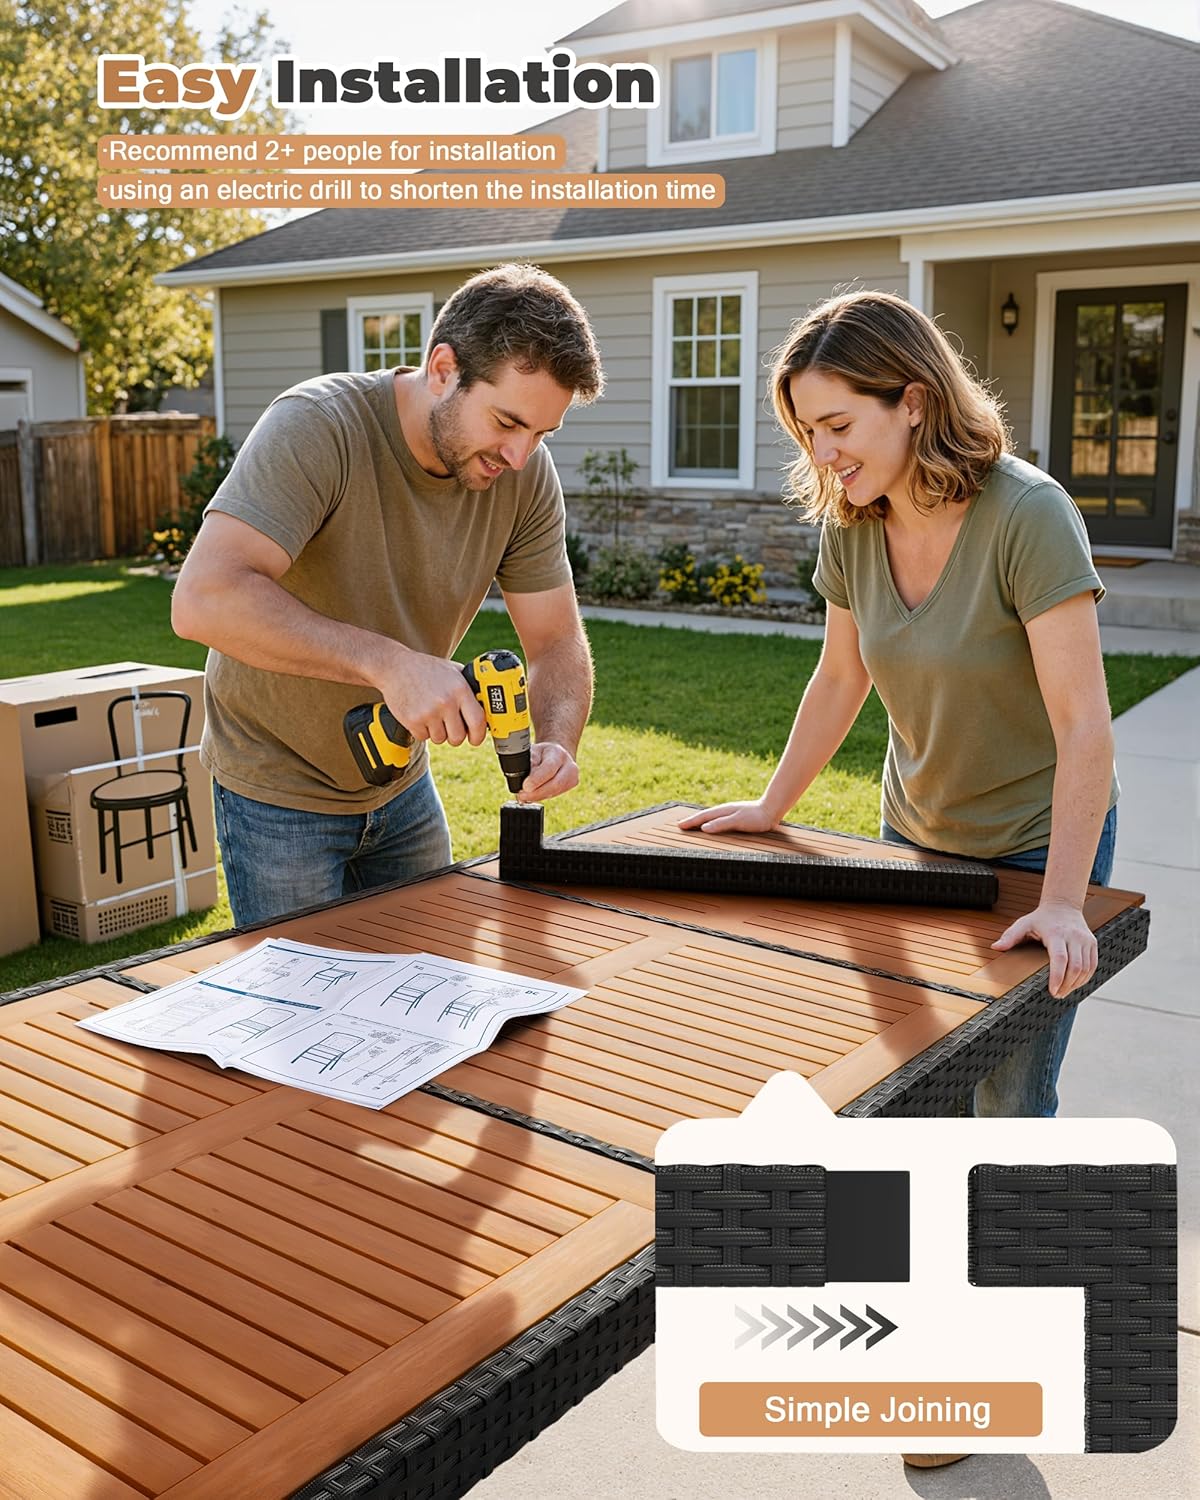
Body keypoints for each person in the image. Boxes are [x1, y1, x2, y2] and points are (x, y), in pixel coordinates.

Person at [682, 289, 1118, 1128]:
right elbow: (840, 678)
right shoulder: (849, 525)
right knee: (916, 1083)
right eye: (809, 432)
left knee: (1009, 1094)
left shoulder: (1028, 515)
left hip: (1038, 843)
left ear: (913, 401)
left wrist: (1062, 900)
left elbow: (1083, 725)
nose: (823, 452)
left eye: (839, 426)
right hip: (913, 838)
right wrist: (774, 805)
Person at [172, 262, 602, 927]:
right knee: (302, 1012)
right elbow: (204, 598)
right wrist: (389, 664)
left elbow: (555, 641)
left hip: (401, 787)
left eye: (541, 434)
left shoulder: (525, 476)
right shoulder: (319, 427)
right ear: (441, 370)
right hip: (277, 785)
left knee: (432, 993)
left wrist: (556, 739)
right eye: (507, 422)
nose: (520, 455)